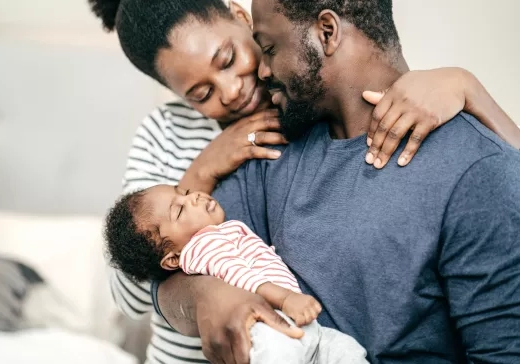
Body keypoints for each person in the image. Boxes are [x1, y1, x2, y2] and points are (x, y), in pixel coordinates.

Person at [87, 0, 520, 363]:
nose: (249, 80)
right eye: (200, 93)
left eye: (263, 50)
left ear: (326, 31)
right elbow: (152, 276)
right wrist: (205, 289)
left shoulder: (470, 165)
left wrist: (467, 85)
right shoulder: (260, 146)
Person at [104, 184, 369, 363]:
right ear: (173, 259)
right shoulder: (201, 248)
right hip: (266, 328)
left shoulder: (222, 232)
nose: (193, 196)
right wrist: (286, 298)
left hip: (298, 326)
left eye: (183, 191)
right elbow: (241, 279)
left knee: (348, 352)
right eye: (180, 209)